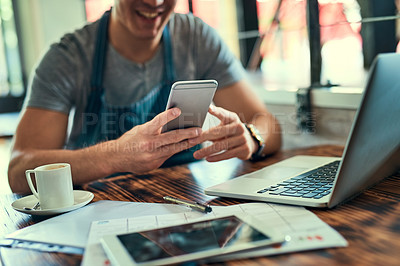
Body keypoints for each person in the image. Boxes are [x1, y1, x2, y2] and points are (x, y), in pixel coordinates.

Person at [8, 0, 282, 193]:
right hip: (98, 210)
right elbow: (20, 170)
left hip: (187, 205)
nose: (155, 2)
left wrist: (252, 137)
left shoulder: (197, 38)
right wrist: (116, 154)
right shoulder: (68, 57)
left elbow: (269, 124)